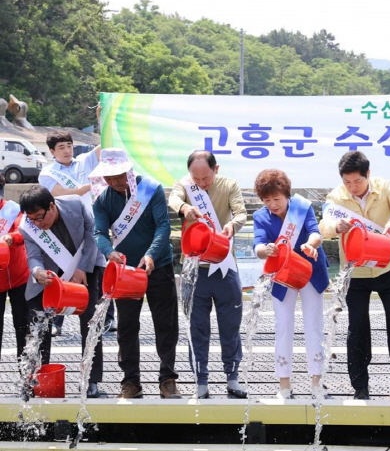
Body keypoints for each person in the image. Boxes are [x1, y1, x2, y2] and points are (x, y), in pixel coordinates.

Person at [319, 150, 390, 400]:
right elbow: (321, 226)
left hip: (387, 266)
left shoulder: (385, 187)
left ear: (368, 175)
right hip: (356, 271)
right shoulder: (336, 197)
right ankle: (360, 385)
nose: (353, 187)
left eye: (358, 181)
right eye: (347, 182)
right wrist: (334, 227)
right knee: (358, 327)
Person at [92, 148, 181, 399]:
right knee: (127, 326)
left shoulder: (151, 189)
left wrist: (151, 254)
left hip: (158, 265)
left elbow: (163, 225)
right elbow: (99, 232)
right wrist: (109, 252)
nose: (114, 182)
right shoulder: (102, 200)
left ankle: (168, 378)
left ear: (129, 170)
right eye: (108, 177)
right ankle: (130, 381)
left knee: (166, 324)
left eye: (118, 175)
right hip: (126, 271)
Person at [168, 151, 248, 399]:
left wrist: (232, 226)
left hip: (224, 267)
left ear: (217, 169)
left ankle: (232, 378)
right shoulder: (184, 185)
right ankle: (200, 381)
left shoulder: (230, 185)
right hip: (195, 271)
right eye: (197, 178)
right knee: (197, 328)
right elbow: (173, 198)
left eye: (206, 178)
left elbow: (242, 212)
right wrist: (183, 206)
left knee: (230, 326)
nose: (201, 183)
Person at [19, 187, 105, 398]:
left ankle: (91, 380)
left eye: (40, 217)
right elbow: (33, 256)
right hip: (50, 275)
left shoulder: (75, 205)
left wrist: (82, 268)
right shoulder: (27, 227)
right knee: (39, 324)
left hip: (84, 266)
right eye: (33, 220)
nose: (38, 224)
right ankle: (36, 377)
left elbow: (92, 234)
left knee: (90, 323)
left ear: (52, 206)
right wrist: (38, 272)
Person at [252, 169, 329, 399]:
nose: (273, 204)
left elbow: (316, 233)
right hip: (282, 275)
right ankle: (284, 385)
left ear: (287, 194)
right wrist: (265, 250)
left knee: (313, 324)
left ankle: (317, 382)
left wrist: (310, 245)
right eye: (267, 200)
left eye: (276, 199)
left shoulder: (302, 208)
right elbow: (258, 245)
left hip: (309, 271)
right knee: (283, 326)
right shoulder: (260, 217)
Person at [38, 130, 115, 334]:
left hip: (91, 225)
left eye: (69, 146)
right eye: (61, 147)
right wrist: (84, 189)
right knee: (63, 271)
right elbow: (59, 193)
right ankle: (57, 321)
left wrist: (102, 120)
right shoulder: (47, 173)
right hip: (65, 228)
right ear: (52, 151)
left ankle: (107, 318)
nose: (67, 150)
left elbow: (104, 146)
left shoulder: (83, 161)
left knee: (99, 271)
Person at [0, 175, 29, 359]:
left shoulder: (12, 209)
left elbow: (23, 229)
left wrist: (12, 238)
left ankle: (27, 380)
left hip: (20, 279)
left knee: (24, 329)